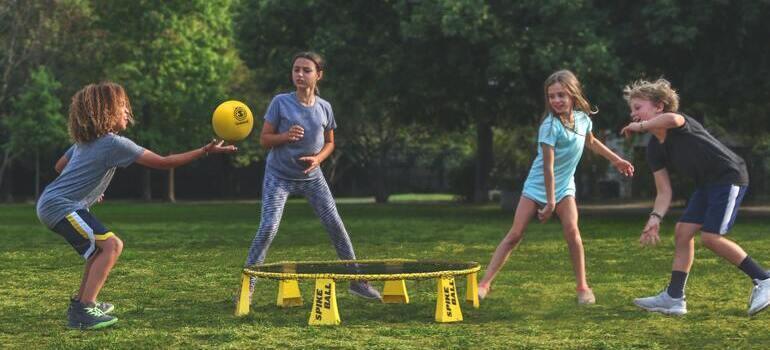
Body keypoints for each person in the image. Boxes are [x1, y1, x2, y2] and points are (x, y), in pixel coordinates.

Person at [36, 82, 237, 330]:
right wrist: (205, 150)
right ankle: (85, 310)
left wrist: (88, 188)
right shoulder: (114, 143)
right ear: (105, 111)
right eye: (121, 107)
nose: (127, 113)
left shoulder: (83, 142)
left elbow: (59, 166)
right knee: (112, 245)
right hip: (61, 206)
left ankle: (82, 304)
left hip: (55, 202)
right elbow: (164, 162)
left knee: (100, 250)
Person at [477, 70, 634, 304]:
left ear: (572, 95)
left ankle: (583, 288)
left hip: (564, 187)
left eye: (561, 95)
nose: (556, 100)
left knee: (573, 232)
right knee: (515, 234)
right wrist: (549, 202)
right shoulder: (549, 126)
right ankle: (484, 284)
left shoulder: (582, 119)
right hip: (538, 185)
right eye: (551, 96)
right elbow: (547, 168)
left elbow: (591, 142)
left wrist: (616, 159)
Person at [620, 78, 770, 316]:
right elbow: (664, 191)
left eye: (638, 108)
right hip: (707, 185)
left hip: (728, 176)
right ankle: (674, 297)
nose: (633, 114)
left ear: (659, 106)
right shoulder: (654, 149)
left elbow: (672, 118)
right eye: (632, 110)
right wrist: (655, 218)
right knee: (683, 232)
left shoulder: (678, 122)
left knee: (710, 238)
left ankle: (764, 279)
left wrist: (638, 126)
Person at [242, 51, 380, 301]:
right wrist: (284, 137)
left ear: (319, 75)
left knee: (336, 226)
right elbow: (264, 139)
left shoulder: (325, 107)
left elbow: (330, 143)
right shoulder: (280, 102)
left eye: (306, 70)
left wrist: (318, 159)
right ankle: (248, 286)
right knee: (268, 228)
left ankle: (357, 282)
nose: (300, 75)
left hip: (312, 177)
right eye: (296, 70)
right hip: (279, 176)